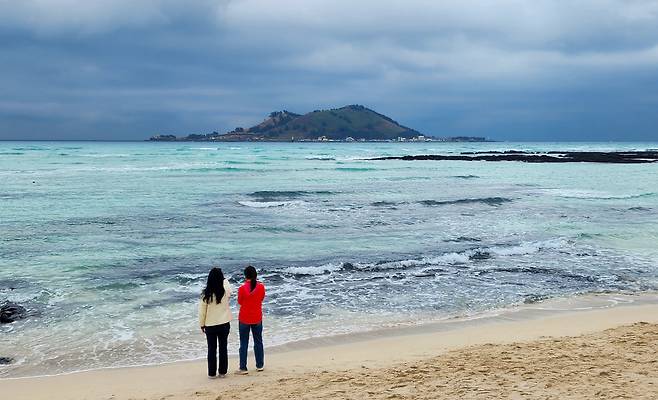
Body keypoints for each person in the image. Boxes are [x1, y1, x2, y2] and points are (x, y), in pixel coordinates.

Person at [199, 267, 232, 378]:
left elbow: (202, 312)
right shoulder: (225, 291)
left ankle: (212, 373)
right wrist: (223, 278)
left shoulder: (206, 294)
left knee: (211, 349)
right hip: (224, 323)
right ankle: (222, 372)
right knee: (223, 348)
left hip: (210, 325)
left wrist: (202, 324)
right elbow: (227, 284)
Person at [236, 265, 266, 374]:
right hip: (257, 317)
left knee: (243, 343)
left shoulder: (242, 288)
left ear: (245, 276)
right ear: (255, 275)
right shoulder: (261, 287)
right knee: (258, 341)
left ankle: (243, 368)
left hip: (244, 318)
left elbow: (240, 302)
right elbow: (261, 298)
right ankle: (260, 365)